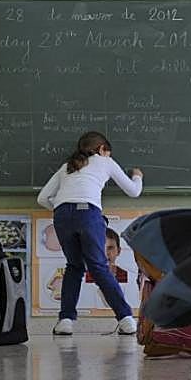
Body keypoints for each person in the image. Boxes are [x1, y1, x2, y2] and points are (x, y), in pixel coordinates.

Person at [37, 131, 143, 336]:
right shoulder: (106, 162)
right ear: (102, 149)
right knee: (98, 266)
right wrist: (137, 176)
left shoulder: (67, 166)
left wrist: (63, 211)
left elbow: (42, 198)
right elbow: (133, 191)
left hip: (62, 215)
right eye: (108, 152)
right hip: (89, 213)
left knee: (74, 266)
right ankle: (126, 319)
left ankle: (65, 321)